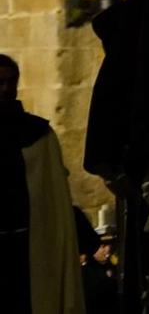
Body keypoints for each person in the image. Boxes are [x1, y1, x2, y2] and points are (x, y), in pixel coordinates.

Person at [0, 54, 85, 314]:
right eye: (0, 82)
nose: (6, 88)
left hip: (29, 247)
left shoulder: (38, 135)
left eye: (11, 81)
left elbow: (54, 201)